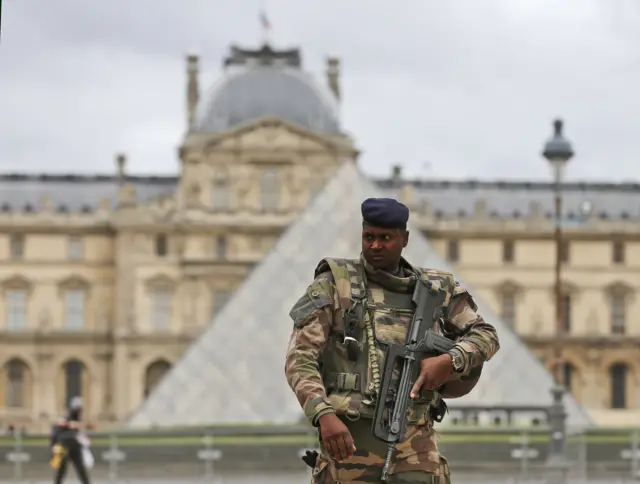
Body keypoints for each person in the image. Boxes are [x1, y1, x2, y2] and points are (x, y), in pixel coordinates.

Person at [285, 197, 500, 483]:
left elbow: (486, 335)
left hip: (416, 449)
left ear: (405, 239)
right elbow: (300, 359)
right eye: (368, 237)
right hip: (347, 444)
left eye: (385, 238)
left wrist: (450, 361)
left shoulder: (438, 291)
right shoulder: (335, 284)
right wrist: (323, 414)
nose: (375, 245)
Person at [50, 396, 92, 484]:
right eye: (79, 409)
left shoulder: (76, 420)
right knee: (62, 470)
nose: (81, 412)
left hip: (75, 448)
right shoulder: (66, 419)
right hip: (65, 447)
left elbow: (79, 432)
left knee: (81, 469)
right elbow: (58, 432)